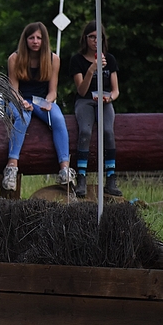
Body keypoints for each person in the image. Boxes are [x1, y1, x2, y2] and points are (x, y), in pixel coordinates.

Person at [2, 22, 74, 191]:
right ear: (25, 40)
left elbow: (53, 91)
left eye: (39, 38)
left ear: (44, 41)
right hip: (18, 99)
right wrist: (22, 102)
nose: (35, 41)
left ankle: (64, 168)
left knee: (57, 117)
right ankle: (12, 166)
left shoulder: (53, 59)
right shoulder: (15, 58)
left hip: (41, 100)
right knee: (23, 117)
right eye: (31, 37)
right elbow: (12, 89)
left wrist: (48, 102)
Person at [68, 21, 121, 197]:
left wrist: (109, 98)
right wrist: (92, 69)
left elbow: (116, 90)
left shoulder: (110, 59)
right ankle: (81, 177)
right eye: (92, 37)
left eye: (99, 37)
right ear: (86, 38)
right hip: (85, 100)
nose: (95, 41)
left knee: (107, 131)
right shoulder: (77, 60)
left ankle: (111, 177)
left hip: (104, 100)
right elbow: (81, 90)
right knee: (85, 131)